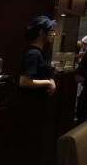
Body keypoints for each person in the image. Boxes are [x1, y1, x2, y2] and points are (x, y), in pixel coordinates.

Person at [17, 16, 57, 163]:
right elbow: (24, 81)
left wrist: (50, 80)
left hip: (37, 106)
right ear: (41, 32)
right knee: (31, 145)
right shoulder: (33, 53)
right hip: (31, 107)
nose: (54, 34)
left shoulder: (39, 52)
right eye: (51, 31)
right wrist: (48, 82)